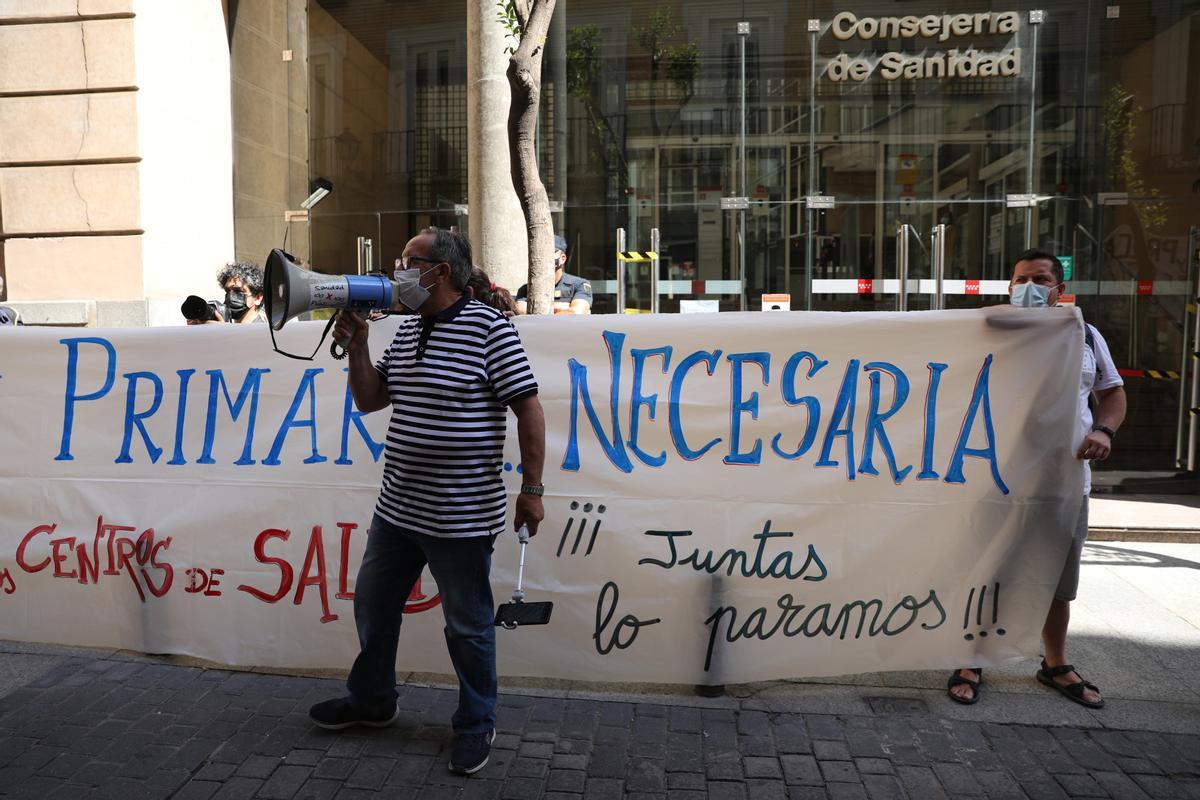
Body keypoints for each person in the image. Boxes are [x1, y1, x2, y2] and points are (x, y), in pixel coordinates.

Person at [310, 227, 546, 777]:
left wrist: (532, 490)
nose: (399, 271)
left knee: (467, 626)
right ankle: (372, 701)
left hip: (460, 514)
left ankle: (475, 722)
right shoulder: (409, 326)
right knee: (373, 604)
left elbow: (529, 410)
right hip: (398, 509)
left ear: (439, 272)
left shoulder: (491, 329)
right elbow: (371, 399)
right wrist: (359, 347)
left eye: (409, 261)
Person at [948, 248, 1126, 708]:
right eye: (1021, 278)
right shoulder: (988, 331)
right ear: (1009, 286)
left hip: (1064, 482)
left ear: (1058, 289)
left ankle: (1055, 664)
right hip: (996, 479)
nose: (1030, 286)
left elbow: (1112, 394)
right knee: (988, 571)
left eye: (1041, 278)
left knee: (1057, 581)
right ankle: (970, 658)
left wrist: (1104, 430)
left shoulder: (1085, 335)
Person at [515, 234, 592, 314]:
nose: (543, 257)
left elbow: (577, 312)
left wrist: (538, 309)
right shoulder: (526, 289)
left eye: (549, 253)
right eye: (540, 253)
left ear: (562, 258)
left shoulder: (579, 285)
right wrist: (563, 307)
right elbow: (521, 311)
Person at [187, 261, 266, 324]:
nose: (231, 296)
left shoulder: (266, 331)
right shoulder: (229, 326)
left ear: (258, 298)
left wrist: (224, 333)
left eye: (238, 291)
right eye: (228, 291)